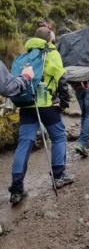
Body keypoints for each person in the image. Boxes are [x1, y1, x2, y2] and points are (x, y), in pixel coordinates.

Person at [8, 26, 74, 205]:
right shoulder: (51, 53)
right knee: (58, 137)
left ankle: (16, 188)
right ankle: (58, 176)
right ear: (50, 39)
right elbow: (61, 78)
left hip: (26, 105)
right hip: (47, 105)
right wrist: (64, 103)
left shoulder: (24, 56)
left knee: (25, 143)